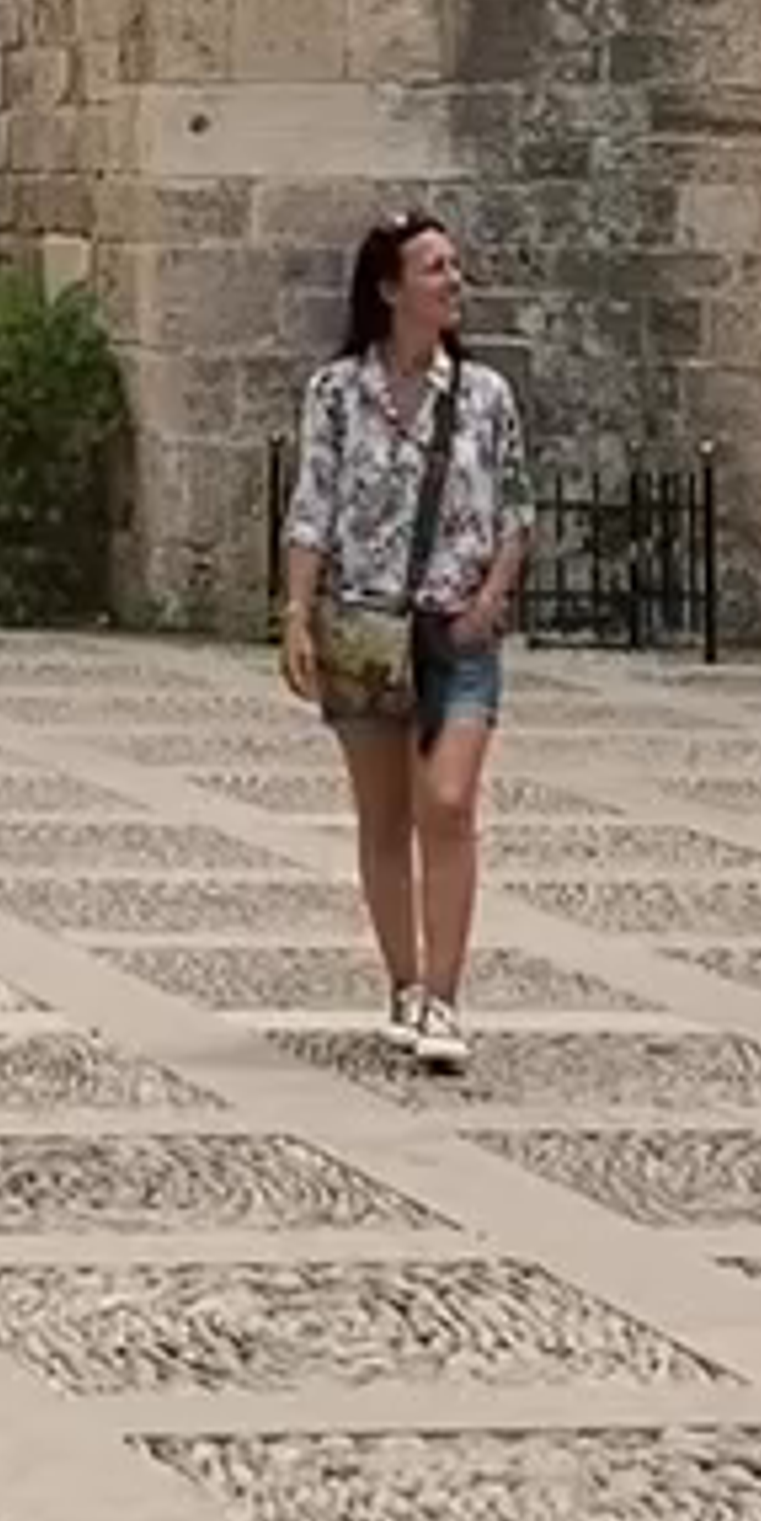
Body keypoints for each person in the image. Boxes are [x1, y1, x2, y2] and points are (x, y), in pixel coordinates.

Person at [275, 208, 530, 1073]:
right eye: (435, 267)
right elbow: (312, 507)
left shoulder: (486, 396)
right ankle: (404, 984)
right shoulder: (336, 393)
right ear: (390, 288)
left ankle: (446, 997)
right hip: (366, 627)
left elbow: (515, 510)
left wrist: (490, 599)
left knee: (448, 802)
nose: (454, 281)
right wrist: (297, 612)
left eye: (455, 265)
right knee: (385, 816)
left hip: (455, 631)